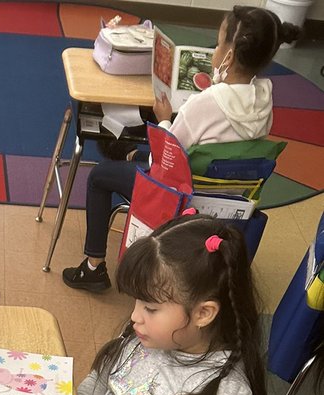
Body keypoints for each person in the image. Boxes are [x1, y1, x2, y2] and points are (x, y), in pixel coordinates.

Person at [62, 5, 298, 293]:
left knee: (100, 176)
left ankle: (93, 267)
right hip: (228, 201)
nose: (215, 46)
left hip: (181, 197)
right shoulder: (264, 98)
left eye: (219, 40)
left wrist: (163, 116)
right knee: (131, 153)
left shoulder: (205, 104)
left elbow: (165, 156)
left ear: (229, 55)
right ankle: (127, 155)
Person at [76, 214, 266, 395]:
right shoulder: (154, 336)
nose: (135, 317)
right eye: (136, 302)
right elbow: (96, 387)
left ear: (203, 313)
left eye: (150, 308)